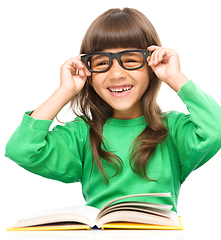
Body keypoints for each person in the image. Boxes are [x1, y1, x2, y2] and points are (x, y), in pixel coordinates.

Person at [5, 8, 221, 212]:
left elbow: (216, 128)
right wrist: (65, 90)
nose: (116, 74)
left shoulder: (172, 130)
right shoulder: (82, 135)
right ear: (88, 73)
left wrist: (175, 77)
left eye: (130, 60)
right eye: (101, 63)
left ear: (152, 67)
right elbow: (22, 150)